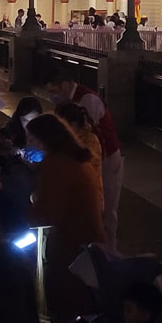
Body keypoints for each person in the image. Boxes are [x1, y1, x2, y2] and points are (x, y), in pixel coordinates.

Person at [25, 114, 105, 321]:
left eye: (32, 139)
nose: (28, 145)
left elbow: (47, 214)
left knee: (65, 314)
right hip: (88, 248)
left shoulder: (57, 166)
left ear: (46, 140)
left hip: (70, 253)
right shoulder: (77, 160)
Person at [44, 67, 123, 249]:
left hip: (106, 157)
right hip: (84, 158)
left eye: (53, 91)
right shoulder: (65, 103)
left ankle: (108, 251)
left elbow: (87, 135)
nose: (51, 96)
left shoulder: (87, 100)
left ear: (65, 84)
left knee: (106, 208)